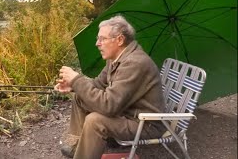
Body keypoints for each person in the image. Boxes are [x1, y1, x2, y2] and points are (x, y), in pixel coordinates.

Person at [54, 15, 165, 159]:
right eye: (97, 39)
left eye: (102, 39)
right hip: (126, 112)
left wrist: (76, 79)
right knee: (80, 98)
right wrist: (74, 86)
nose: (97, 44)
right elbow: (98, 84)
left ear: (119, 40)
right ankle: (77, 145)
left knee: (95, 121)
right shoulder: (115, 59)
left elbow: (108, 106)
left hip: (144, 123)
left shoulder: (135, 63)